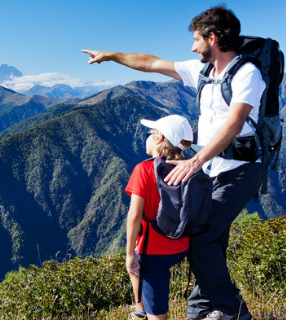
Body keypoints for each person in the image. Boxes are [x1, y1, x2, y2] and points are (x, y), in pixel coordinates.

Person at [81, 5, 263, 320]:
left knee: (201, 233)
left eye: (196, 40)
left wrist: (195, 162)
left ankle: (232, 311)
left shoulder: (247, 73)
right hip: (209, 173)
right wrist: (112, 55)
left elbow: (235, 123)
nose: (193, 47)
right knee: (211, 238)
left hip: (239, 172)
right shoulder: (203, 72)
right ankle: (203, 309)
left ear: (213, 38)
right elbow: (152, 63)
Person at [125, 115, 193, 320]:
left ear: (159, 138)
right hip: (183, 243)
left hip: (153, 249)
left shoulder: (144, 169)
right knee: (139, 269)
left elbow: (135, 215)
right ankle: (139, 311)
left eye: (149, 134)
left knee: (136, 267)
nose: (145, 138)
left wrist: (129, 253)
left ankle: (142, 313)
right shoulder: (190, 167)